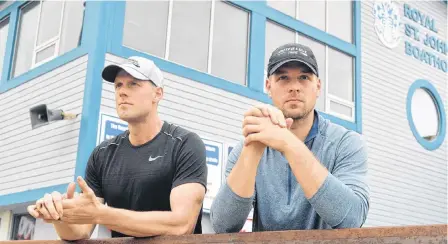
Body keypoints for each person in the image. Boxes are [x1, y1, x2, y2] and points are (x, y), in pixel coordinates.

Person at [27, 56, 208, 240]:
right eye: (118, 85)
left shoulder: (185, 144)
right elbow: (81, 231)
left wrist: (101, 214)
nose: (122, 92)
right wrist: (59, 215)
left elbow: (182, 224)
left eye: (133, 84)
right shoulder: (103, 155)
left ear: (158, 94)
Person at [210, 43, 369, 232]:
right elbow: (222, 225)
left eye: (304, 77)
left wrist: (288, 144)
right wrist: (253, 150)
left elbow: (352, 218)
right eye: (283, 78)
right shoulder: (247, 148)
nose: (294, 87)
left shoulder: (346, 143)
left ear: (318, 86)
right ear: (268, 86)